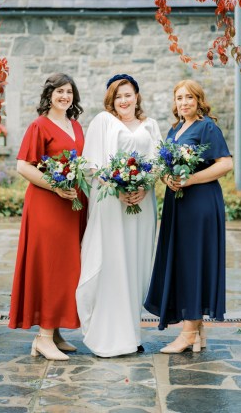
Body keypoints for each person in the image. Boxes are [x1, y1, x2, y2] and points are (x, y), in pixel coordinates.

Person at [76, 74, 162, 357]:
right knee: (114, 264)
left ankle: (131, 333)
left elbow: (159, 164)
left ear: (137, 95)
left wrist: (145, 187)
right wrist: (117, 188)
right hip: (112, 204)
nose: (124, 100)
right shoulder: (103, 121)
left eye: (128, 94)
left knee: (136, 265)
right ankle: (110, 336)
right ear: (111, 100)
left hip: (142, 205)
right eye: (118, 96)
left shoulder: (151, 125)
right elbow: (91, 164)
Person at [144, 79, 233, 353]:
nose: (184, 103)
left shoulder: (207, 126)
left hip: (200, 204)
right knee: (184, 263)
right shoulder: (174, 130)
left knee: (194, 263)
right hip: (178, 204)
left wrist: (191, 179)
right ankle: (198, 332)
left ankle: (187, 333)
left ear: (198, 101)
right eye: (179, 98)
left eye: (189, 98)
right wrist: (168, 177)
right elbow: (167, 165)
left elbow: (226, 163)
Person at [8, 73, 87, 361]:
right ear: (49, 95)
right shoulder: (39, 125)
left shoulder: (76, 126)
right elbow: (23, 167)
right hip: (47, 205)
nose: (64, 96)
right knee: (51, 266)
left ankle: (54, 332)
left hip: (71, 205)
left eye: (69, 92)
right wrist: (56, 185)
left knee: (67, 267)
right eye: (59, 91)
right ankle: (42, 338)